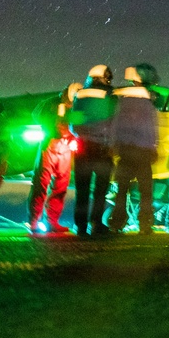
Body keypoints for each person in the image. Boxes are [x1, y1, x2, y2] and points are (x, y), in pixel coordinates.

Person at [108, 66, 159, 235]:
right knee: (146, 191)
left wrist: (114, 145)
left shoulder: (122, 102)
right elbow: (151, 128)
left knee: (122, 190)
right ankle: (145, 225)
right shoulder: (147, 103)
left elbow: (115, 125)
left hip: (125, 151)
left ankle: (117, 224)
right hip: (143, 152)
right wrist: (154, 148)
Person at [69, 64, 116, 236]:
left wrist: (83, 134)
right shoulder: (111, 96)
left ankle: (80, 226)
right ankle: (96, 224)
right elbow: (114, 123)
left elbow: (73, 125)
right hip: (103, 148)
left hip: (83, 148)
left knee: (82, 190)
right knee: (100, 190)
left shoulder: (80, 95)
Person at [27, 82, 82, 233]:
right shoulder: (51, 103)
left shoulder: (76, 106)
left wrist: (72, 138)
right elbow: (38, 116)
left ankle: (51, 222)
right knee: (41, 184)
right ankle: (33, 221)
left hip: (65, 149)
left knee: (61, 186)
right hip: (50, 146)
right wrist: (51, 127)